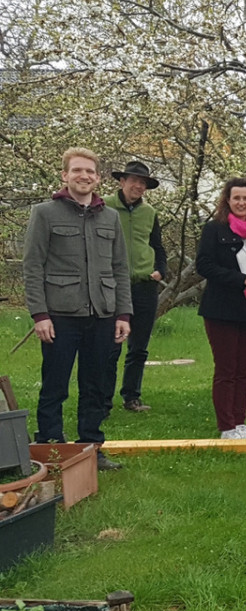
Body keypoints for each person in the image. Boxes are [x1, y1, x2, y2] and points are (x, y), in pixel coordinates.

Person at [24, 147, 132, 471]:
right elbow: (33, 267)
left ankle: (92, 447)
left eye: (89, 172)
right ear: (65, 175)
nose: (83, 176)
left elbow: (120, 268)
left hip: (103, 314)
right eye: (77, 171)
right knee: (55, 384)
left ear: (97, 178)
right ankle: (49, 448)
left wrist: (123, 314)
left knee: (96, 385)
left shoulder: (110, 217)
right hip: (59, 316)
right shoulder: (45, 213)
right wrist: (39, 315)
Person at [196, 178, 246, 440]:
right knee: (226, 369)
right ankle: (226, 426)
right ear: (227, 201)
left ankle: (240, 423)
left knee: (244, 369)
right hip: (222, 309)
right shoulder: (214, 229)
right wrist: (240, 279)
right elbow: (205, 266)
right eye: (236, 198)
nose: (241, 203)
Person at [104, 160, 168, 414]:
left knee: (139, 346)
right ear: (122, 182)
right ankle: (103, 400)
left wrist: (160, 270)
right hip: (112, 285)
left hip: (144, 285)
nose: (138, 187)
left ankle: (132, 397)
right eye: (134, 181)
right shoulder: (105, 207)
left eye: (143, 183)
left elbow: (158, 246)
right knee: (110, 346)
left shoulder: (149, 213)